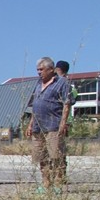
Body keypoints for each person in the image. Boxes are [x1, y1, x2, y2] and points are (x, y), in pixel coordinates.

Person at [27, 56, 72, 190]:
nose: (39, 72)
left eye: (41, 69)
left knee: (56, 155)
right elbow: (35, 105)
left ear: (51, 69)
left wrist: (63, 123)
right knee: (41, 156)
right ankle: (45, 183)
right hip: (38, 126)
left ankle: (58, 183)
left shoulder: (62, 83)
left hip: (54, 125)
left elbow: (67, 103)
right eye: (37, 70)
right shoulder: (38, 84)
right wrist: (30, 124)